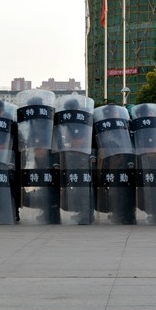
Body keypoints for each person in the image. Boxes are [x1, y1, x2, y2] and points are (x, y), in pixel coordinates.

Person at [16, 90, 60, 224]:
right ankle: (46, 212)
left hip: (47, 154)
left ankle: (52, 214)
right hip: (40, 153)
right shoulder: (37, 119)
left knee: (49, 183)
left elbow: (42, 136)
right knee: (44, 183)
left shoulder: (42, 120)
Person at [53, 95, 96, 225]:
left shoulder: (82, 118)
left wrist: (73, 143)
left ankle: (86, 215)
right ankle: (82, 212)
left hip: (82, 156)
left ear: (77, 108)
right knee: (77, 185)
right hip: (73, 155)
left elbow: (80, 139)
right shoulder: (70, 120)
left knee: (83, 187)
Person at [93, 104, 137, 225]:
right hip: (112, 163)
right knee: (117, 190)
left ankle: (128, 214)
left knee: (127, 189)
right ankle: (120, 214)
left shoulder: (126, 124)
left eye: (114, 113)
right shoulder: (104, 127)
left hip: (126, 161)